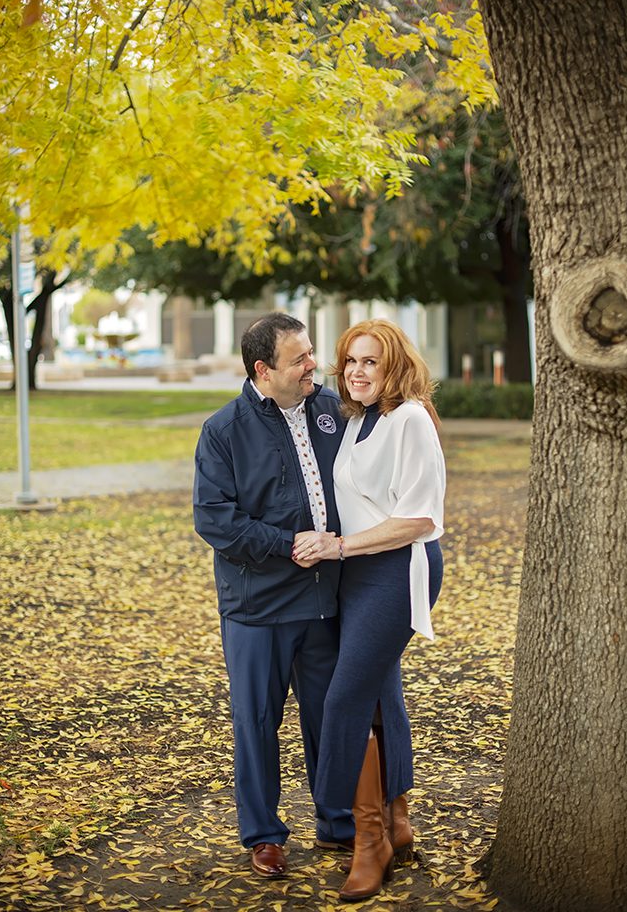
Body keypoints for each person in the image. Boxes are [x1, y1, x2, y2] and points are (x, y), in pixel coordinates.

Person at [193, 312, 354, 880]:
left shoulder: (333, 410)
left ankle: (338, 821)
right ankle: (263, 834)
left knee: (330, 717)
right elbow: (215, 521)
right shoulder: (223, 430)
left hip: (326, 599)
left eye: (311, 352)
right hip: (257, 607)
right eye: (300, 358)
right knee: (256, 721)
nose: (314, 364)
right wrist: (290, 545)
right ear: (264, 370)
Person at [293, 319, 446, 901]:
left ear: (394, 367)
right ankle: (398, 820)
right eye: (349, 361)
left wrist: (339, 546)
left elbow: (421, 518)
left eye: (370, 363)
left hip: (396, 570)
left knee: (346, 696)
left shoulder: (410, 419)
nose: (356, 372)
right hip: (356, 574)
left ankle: (368, 838)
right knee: (382, 693)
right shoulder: (357, 420)